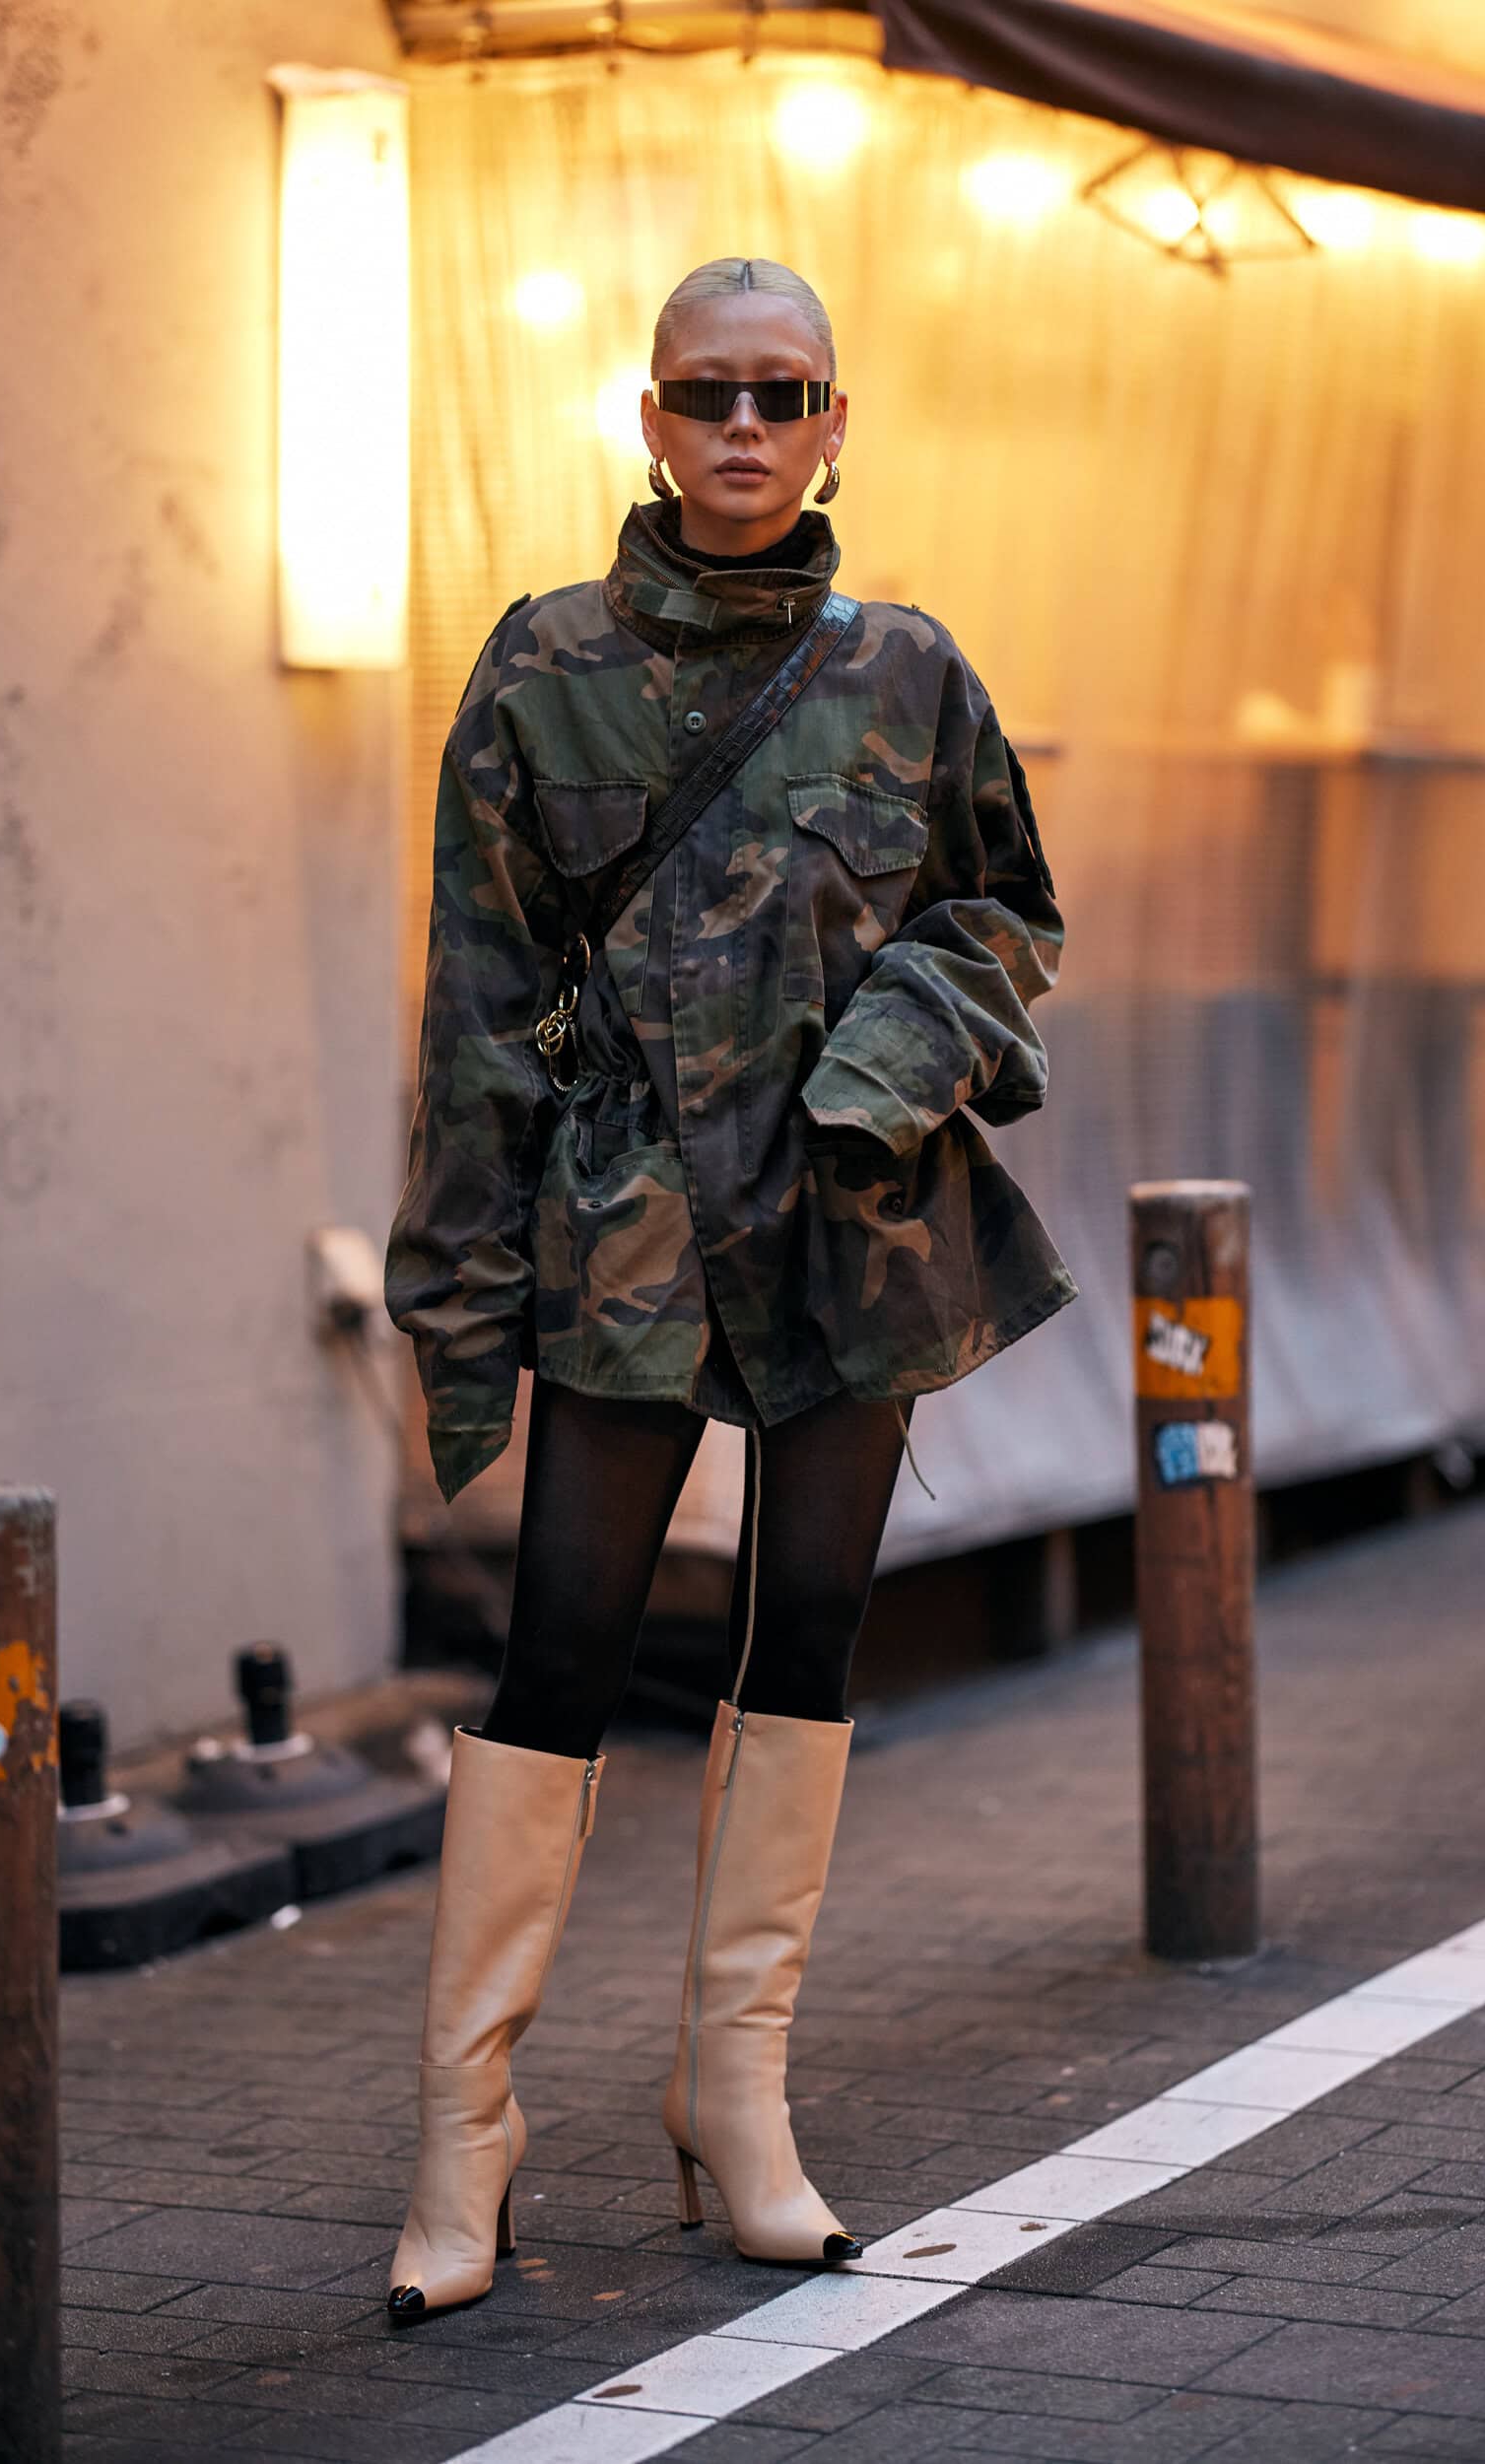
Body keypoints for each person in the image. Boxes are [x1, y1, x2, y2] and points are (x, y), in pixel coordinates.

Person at [381, 255, 1076, 2322]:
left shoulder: (912, 672)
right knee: (564, 1651)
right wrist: (459, 1296)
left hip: (855, 1226)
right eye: (710, 393)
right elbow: (481, 1003)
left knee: (813, 1636)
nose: (745, 427)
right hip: (629, 1223)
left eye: (784, 394)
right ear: (653, 418)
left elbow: (1010, 912)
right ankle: (465, 2135)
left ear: (837, 421)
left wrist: (887, 1064)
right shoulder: (547, 664)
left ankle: (735, 2096)